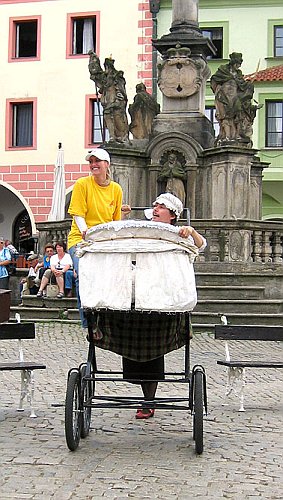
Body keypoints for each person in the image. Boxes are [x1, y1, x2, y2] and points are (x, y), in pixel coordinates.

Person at [122, 193, 206, 419]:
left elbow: (200, 245)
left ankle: (149, 400)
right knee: (134, 349)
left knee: (153, 352)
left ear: (172, 215)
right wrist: (119, 216)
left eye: (161, 207)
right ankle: (147, 397)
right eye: (155, 205)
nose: (156, 209)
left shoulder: (179, 233)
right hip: (137, 297)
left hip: (162, 302)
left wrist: (192, 232)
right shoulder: (142, 230)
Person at [67, 147, 130, 325]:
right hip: (80, 239)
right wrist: (86, 232)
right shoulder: (82, 184)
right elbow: (77, 214)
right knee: (84, 273)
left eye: (97, 161)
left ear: (106, 164)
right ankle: (88, 321)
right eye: (91, 162)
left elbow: (114, 221)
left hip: (103, 240)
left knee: (111, 275)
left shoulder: (116, 189)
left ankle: (106, 315)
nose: (93, 164)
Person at [210, 52, 260, 145]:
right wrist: (219, 91)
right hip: (223, 96)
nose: (238, 66)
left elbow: (242, 85)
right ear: (233, 63)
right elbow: (214, 81)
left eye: (239, 64)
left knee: (236, 114)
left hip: (234, 97)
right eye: (237, 64)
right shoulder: (223, 70)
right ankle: (226, 136)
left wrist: (249, 86)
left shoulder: (238, 74)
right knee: (224, 116)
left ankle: (236, 135)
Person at [88, 52, 129, 142]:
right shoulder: (105, 77)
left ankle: (121, 137)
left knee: (118, 118)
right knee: (108, 117)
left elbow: (121, 90)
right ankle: (112, 136)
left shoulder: (116, 76)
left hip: (115, 101)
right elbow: (96, 74)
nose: (106, 68)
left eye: (107, 66)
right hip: (107, 102)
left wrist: (119, 99)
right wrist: (93, 59)